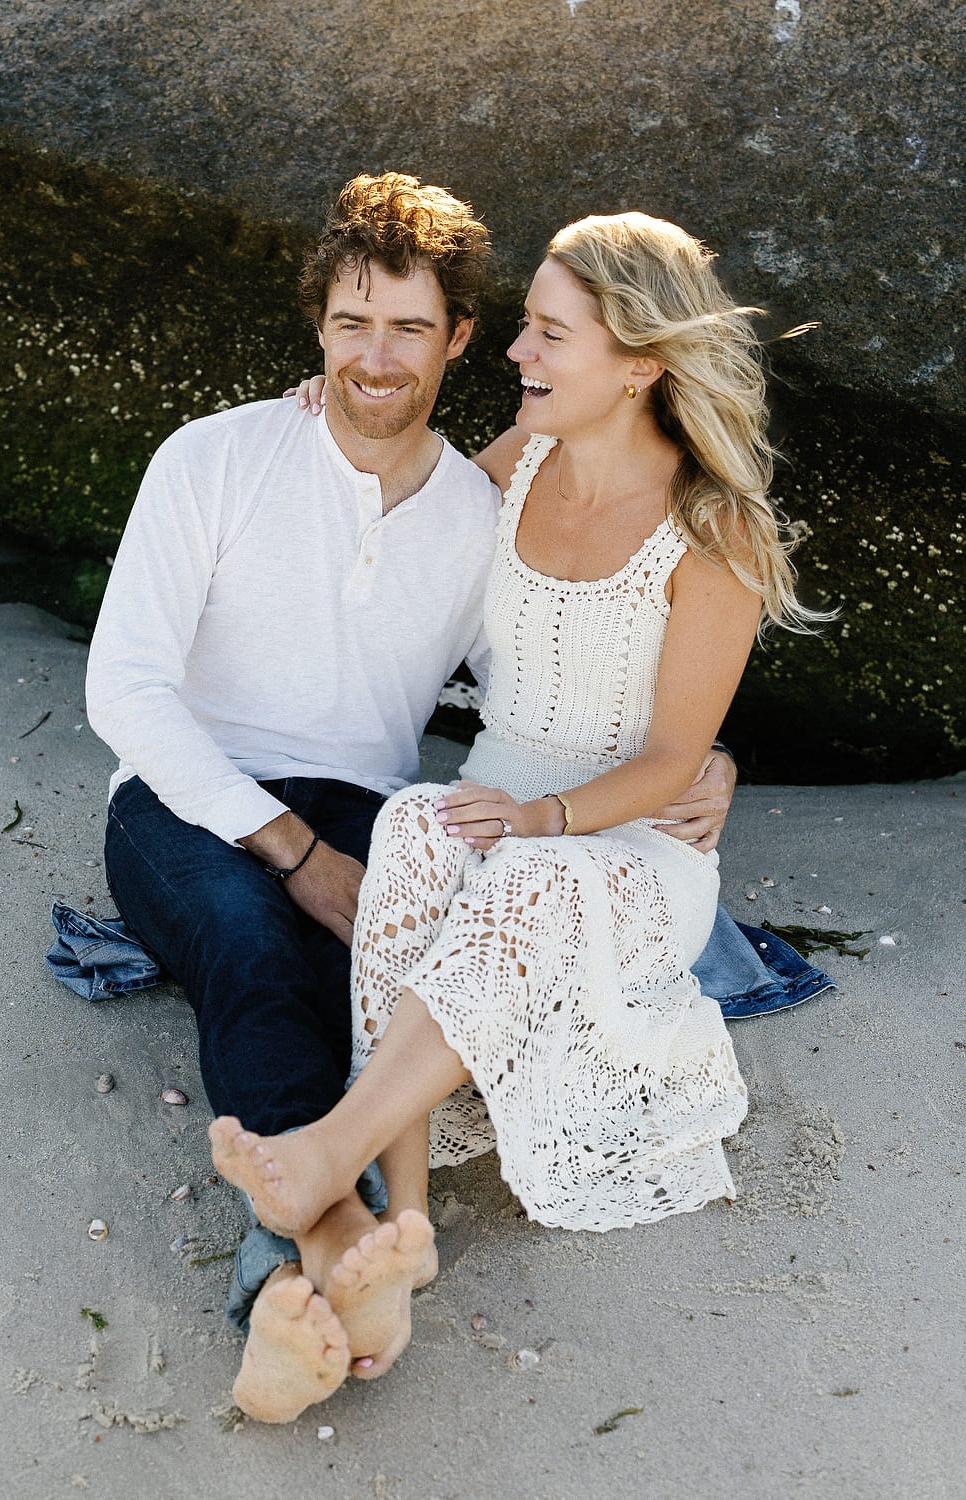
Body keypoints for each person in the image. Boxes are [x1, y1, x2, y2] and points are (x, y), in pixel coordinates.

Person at [83, 174, 817, 1423]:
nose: (378, 357)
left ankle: (340, 1262)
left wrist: (707, 761)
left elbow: (581, 660)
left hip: (420, 805)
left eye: (412, 329)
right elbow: (129, 690)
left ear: (457, 340)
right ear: (316, 325)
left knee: (372, 956)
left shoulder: (485, 501)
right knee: (261, 950)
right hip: (197, 795)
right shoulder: (227, 458)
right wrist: (301, 852)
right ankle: (309, 1257)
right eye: (352, 324)